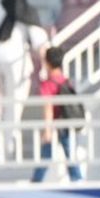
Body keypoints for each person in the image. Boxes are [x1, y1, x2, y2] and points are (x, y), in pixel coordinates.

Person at [0, 0, 49, 156]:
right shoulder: (25, 10)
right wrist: (48, 67)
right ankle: (7, 144)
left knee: (0, 99)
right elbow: (40, 42)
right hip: (13, 58)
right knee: (15, 101)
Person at [32, 46, 85, 183]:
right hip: (66, 122)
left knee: (48, 153)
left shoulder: (48, 84)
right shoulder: (65, 80)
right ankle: (76, 178)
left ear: (47, 63)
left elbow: (48, 108)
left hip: (58, 123)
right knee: (69, 152)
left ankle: (37, 181)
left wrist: (47, 130)